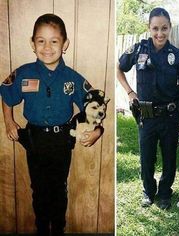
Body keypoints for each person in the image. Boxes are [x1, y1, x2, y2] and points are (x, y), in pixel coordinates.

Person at [0, 14, 103, 236]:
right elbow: (7, 94)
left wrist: (97, 130)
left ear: (65, 44)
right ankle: (41, 230)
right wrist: (9, 122)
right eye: (41, 41)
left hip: (61, 140)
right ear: (32, 43)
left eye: (54, 41)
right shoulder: (24, 73)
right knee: (38, 190)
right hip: (34, 139)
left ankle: (58, 229)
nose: (47, 47)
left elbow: (94, 104)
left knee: (59, 190)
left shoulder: (72, 78)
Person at [117, 7, 179, 210]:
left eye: (164, 28)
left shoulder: (178, 56)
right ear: (149, 28)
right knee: (146, 158)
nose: (159, 33)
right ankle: (148, 191)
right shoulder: (138, 50)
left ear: (170, 28)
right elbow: (118, 68)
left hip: (169, 117)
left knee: (169, 158)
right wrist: (129, 92)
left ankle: (164, 194)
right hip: (147, 116)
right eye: (155, 28)